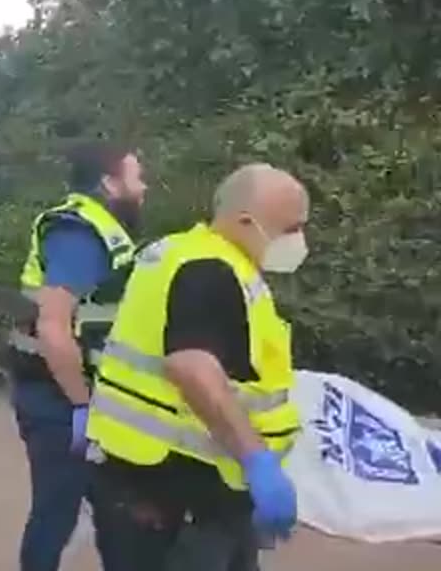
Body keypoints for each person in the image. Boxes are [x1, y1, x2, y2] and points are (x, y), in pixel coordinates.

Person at [86, 163, 305, 571]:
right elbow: (191, 367)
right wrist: (257, 460)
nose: (298, 240)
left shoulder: (179, 251)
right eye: (290, 228)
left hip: (149, 479)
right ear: (244, 221)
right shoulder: (210, 270)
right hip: (172, 494)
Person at [10, 141, 146, 571]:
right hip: (60, 400)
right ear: (109, 183)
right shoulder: (81, 232)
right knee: (57, 515)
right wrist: (82, 405)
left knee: (114, 517)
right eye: (136, 177)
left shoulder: (98, 227)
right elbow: (54, 326)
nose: (144, 187)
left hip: (73, 392)